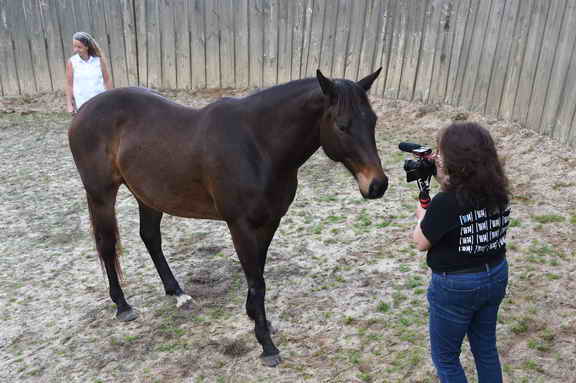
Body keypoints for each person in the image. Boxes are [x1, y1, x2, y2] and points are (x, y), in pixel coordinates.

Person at [412, 122, 511, 383]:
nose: (437, 158)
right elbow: (462, 197)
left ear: (457, 160)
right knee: (485, 349)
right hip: (496, 274)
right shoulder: (497, 189)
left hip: (456, 286)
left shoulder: (445, 203)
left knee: (446, 358)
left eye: (441, 154)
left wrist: (422, 214)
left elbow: (421, 241)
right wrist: (436, 169)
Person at [65, 32, 112, 114]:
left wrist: (111, 99)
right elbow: (69, 85)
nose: (75, 50)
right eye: (74, 46)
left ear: (87, 47)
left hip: (100, 102)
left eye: (79, 47)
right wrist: (69, 104)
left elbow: (107, 81)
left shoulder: (99, 60)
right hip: (82, 104)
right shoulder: (72, 62)